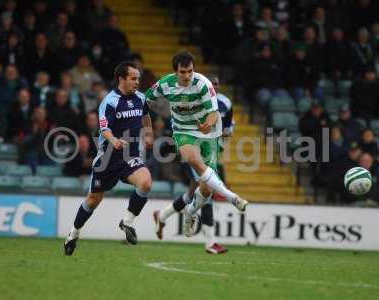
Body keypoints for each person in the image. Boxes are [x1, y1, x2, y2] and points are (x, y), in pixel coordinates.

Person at [146, 50, 247, 239]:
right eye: (182, 72)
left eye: (190, 71)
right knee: (195, 163)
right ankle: (231, 199)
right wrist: (147, 127)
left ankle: (186, 213)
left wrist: (208, 124)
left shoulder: (204, 85)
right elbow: (145, 101)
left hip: (208, 138)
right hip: (183, 132)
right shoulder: (165, 84)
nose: (187, 76)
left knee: (204, 190)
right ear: (175, 72)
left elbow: (214, 114)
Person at [64, 61, 154, 255]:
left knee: (146, 183)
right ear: (121, 79)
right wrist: (114, 141)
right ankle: (73, 234)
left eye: (138, 78)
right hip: (107, 159)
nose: (137, 82)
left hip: (130, 155)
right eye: (133, 78)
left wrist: (149, 134)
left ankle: (127, 222)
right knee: (93, 200)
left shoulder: (140, 98)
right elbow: (104, 129)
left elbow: (146, 116)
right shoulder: (110, 101)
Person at [152, 73, 234, 254]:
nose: (213, 88)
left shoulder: (225, 104)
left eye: (216, 85)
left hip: (210, 153)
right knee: (207, 190)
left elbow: (228, 129)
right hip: (191, 151)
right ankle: (210, 242)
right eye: (210, 85)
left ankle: (162, 215)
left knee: (193, 194)